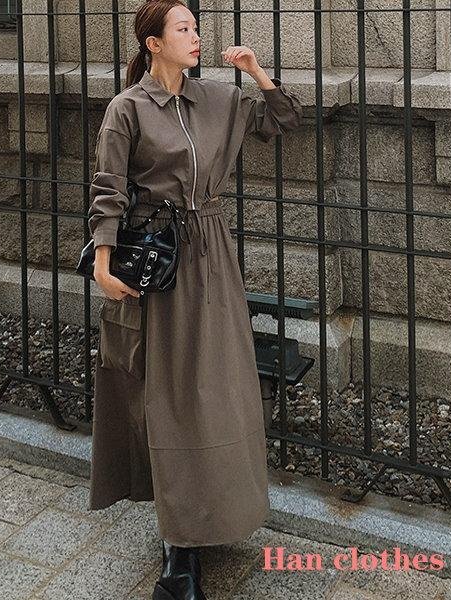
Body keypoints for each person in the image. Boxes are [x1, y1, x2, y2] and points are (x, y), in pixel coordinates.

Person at [86, 1, 303, 598]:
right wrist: (102, 263)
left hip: (212, 255)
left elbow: (285, 118)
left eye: (196, 27)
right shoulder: (127, 108)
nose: (196, 36)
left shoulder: (218, 99)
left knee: (217, 389)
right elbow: (108, 189)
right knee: (171, 393)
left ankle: (214, 514)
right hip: (158, 263)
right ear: (153, 43)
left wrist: (255, 70)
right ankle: (178, 546)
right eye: (182, 28)